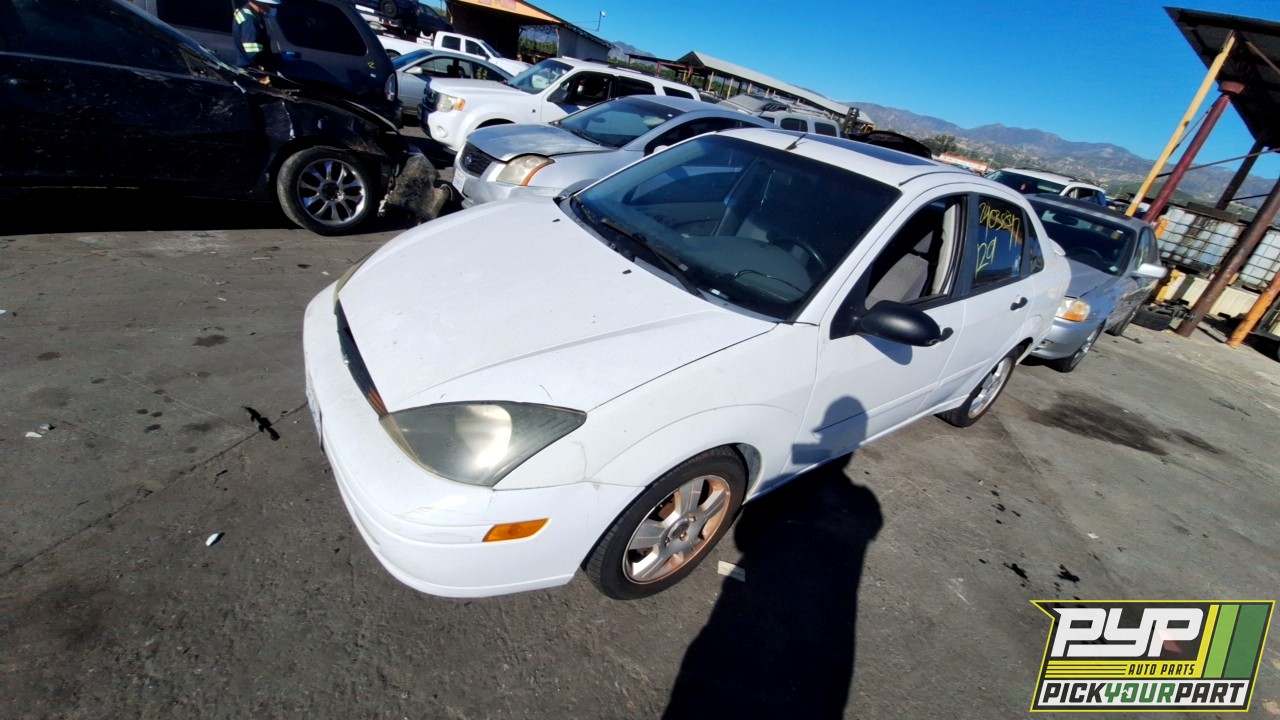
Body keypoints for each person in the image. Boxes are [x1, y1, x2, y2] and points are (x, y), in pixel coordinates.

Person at [232, 0, 281, 75]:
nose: (272, 8)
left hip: (252, 68)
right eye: (270, 5)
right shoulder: (250, 20)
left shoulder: (251, 14)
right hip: (252, 71)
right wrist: (274, 59)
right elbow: (254, 53)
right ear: (259, 3)